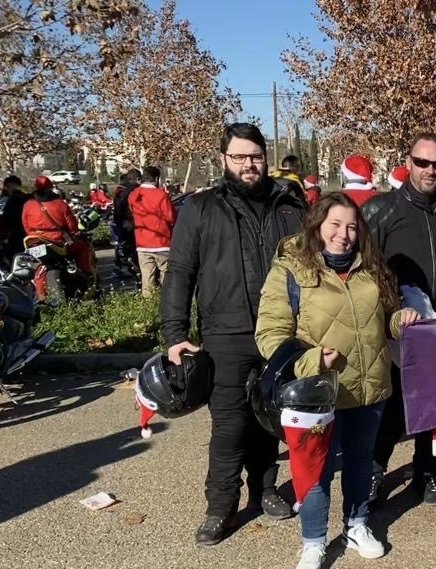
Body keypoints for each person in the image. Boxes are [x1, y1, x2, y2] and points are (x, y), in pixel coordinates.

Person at [254, 192, 420, 569]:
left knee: (361, 461)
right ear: (317, 225)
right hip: (318, 393)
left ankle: (357, 524)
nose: (343, 234)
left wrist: (402, 320)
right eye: (334, 224)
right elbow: (270, 334)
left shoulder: (371, 267)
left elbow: (387, 318)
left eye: (350, 226)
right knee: (317, 469)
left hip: (368, 387)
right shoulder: (290, 270)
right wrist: (311, 360)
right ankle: (313, 540)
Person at [161, 123, 306, 546]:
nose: (248, 164)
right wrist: (175, 333)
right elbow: (179, 274)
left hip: (280, 333)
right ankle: (220, 505)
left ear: (266, 156)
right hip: (225, 332)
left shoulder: (289, 204)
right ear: (224, 159)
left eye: (255, 156)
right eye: (239, 156)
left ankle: (265, 491)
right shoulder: (201, 209)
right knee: (229, 424)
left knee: (269, 416)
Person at [364, 133, 436, 506]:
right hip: (400, 328)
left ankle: (427, 472)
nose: (430, 170)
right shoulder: (382, 210)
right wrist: (390, 310)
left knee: (434, 404)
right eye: (423, 162)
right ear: (409, 162)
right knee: (394, 408)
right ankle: (374, 473)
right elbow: (366, 270)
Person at [22, 175, 94, 277]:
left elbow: (25, 225)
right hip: (57, 239)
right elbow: (71, 225)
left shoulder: (28, 204)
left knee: (37, 265)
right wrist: (75, 233)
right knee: (82, 247)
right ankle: (87, 273)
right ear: (51, 187)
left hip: (34, 239)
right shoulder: (60, 204)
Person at [129, 166, 176, 298]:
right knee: (166, 274)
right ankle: (167, 301)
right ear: (156, 179)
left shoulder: (134, 195)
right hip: (162, 240)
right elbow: (170, 217)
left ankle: (148, 306)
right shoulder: (161, 195)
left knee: (146, 276)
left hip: (142, 242)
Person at [0, 175, 29, 261]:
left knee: (16, 257)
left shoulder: (14, 199)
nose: (6, 189)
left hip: (16, 233)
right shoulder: (29, 196)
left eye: (7, 186)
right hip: (30, 231)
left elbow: (7, 217)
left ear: (12, 185)